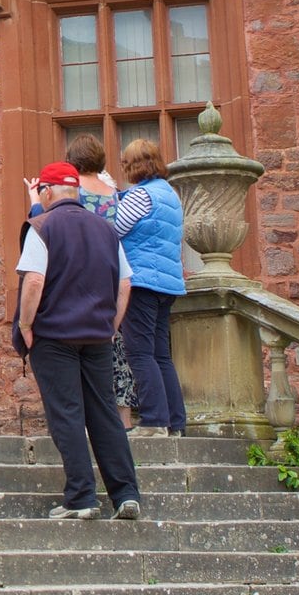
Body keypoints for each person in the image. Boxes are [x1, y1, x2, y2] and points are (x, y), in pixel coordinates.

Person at [11, 161, 141, 521]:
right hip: (96, 336)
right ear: (77, 192)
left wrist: (25, 325)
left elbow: (34, 282)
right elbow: (125, 283)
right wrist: (111, 326)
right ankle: (126, 494)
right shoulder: (105, 229)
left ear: (46, 192)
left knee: (67, 414)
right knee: (105, 414)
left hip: (53, 336)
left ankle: (82, 497)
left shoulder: (42, 226)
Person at [112, 138, 188, 436]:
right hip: (168, 284)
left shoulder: (139, 196)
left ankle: (155, 421)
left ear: (132, 166)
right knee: (160, 355)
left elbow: (112, 229)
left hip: (142, 281)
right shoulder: (169, 194)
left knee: (139, 353)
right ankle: (175, 422)